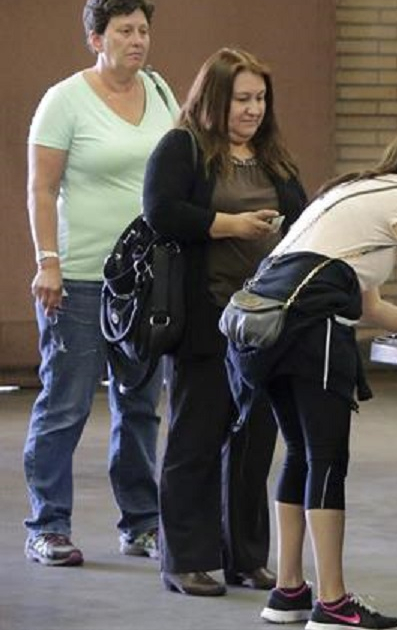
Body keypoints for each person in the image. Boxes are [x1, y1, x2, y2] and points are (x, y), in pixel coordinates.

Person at [226, 125, 397, 630]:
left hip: (266, 327)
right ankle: (333, 602)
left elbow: (371, 306)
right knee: (328, 459)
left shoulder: (352, 190)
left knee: (300, 452)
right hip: (313, 333)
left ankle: (289, 589)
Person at [143, 47, 306, 597]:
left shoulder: (273, 157)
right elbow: (160, 211)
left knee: (253, 446)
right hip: (204, 320)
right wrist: (228, 224)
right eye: (242, 98)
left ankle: (245, 557)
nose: (253, 109)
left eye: (260, 98)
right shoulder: (182, 148)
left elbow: (303, 217)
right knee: (194, 440)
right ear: (215, 98)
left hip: (262, 326)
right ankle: (185, 558)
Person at [23, 0, 176, 568]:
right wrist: (48, 261)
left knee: (140, 404)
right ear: (95, 38)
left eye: (142, 30)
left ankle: (141, 523)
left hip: (146, 279)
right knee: (64, 405)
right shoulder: (64, 101)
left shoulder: (160, 92)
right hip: (81, 277)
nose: (137, 41)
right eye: (123, 31)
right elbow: (41, 188)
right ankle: (47, 526)